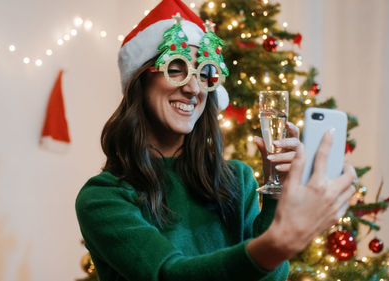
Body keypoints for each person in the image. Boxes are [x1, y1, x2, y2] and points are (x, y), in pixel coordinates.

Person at [75, 0, 357, 280]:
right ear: (141, 80)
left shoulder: (236, 179)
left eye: (205, 72)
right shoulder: (102, 198)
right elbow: (168, 274)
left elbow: (270, 278)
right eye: (176, 67)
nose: (193, 87)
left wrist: (276, 194)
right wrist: (280, 242)